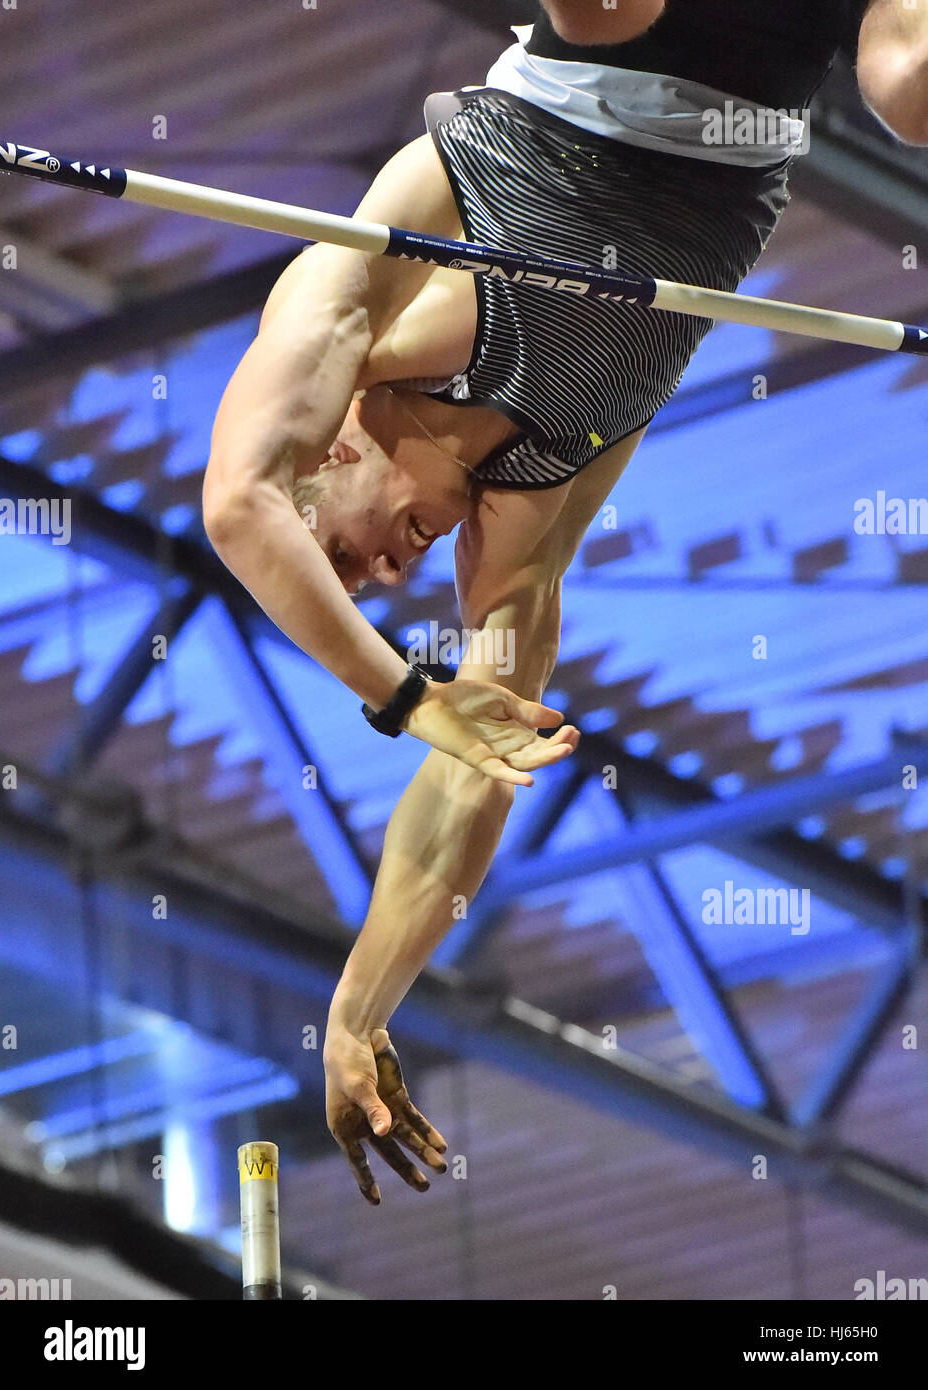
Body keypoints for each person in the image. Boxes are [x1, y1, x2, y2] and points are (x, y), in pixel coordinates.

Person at [204, 0, 928, 1202]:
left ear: (326, 455)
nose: (389, 574)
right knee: (907, 91)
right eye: (375, 586)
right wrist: (354, 1009)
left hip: (611, 53)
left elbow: (237, 506)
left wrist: (398, 693)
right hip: (774, 65)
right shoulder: (523, 531)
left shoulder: (361, 298)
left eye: (350, 559)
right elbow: (472, 788)